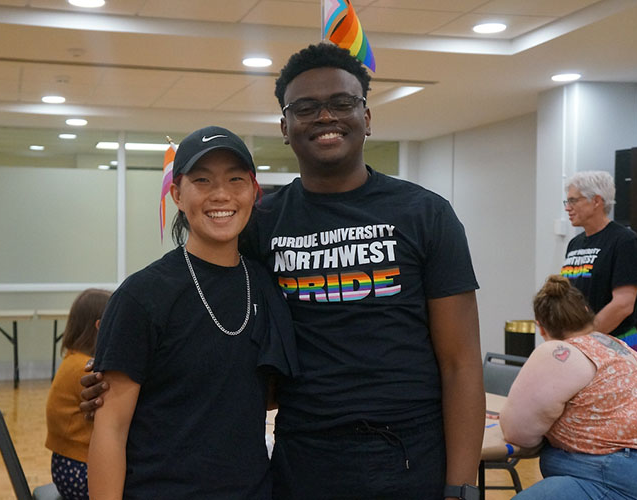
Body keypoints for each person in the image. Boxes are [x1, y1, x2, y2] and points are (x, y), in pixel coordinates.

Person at [82, 43, 484, 500]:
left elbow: (461, 362)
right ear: (285, 127)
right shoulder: (263, 224)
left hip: (408, 456)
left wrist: (462, 486)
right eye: (305, 108)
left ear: (367, 117)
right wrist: (117, 378)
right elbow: (209, 301)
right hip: (302, 459)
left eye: (342, 103)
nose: (325, 116)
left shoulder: (426, 214)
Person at [86, 126, 297, 500]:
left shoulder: (264, 284)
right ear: (178, 195)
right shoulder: (141, 296)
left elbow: (258, 391)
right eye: (202, 180)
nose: (221, 194)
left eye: (236, 179)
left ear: (253, 192)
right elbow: (110, 428)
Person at [500, 274, 637, 499]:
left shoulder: (560, 352)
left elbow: (517, 432)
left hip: (613, 470)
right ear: (587, 311)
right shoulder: (617, 346)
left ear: (541, 327)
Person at [560, 170, 637, 353]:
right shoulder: (575, 244)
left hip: (616, 343)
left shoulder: (625, 241)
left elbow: (623, 304)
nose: (567, 207)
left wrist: (586, 336)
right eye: (567, 201)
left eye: (573, 200)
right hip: (580, 343)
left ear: (596, 201)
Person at [45, 287, 111, 500]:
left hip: (67, 466)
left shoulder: (72, 360)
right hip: (80, 468)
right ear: (99, 327)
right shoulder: (84, 369)